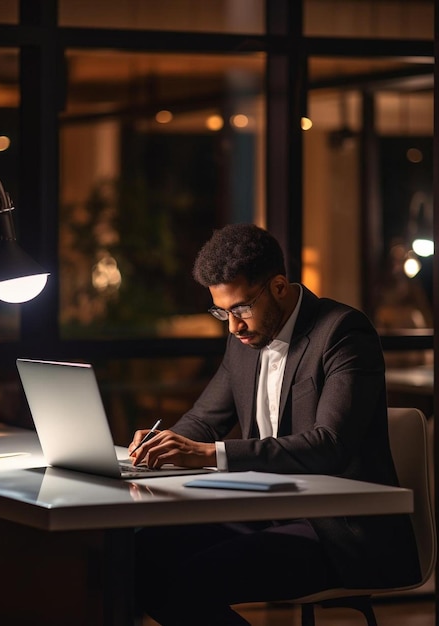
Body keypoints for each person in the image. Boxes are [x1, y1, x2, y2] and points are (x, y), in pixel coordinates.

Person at [128, 223, 421, 626]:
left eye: (241, 308)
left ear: (279, 286)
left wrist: (210, 454)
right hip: (267, 513)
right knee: (136, 558)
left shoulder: (343, 333)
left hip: (339, 532)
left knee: (193, 579)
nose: (233, 326)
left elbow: (328, 444)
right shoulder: (244, 340)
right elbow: (204, 419)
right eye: (221, 312)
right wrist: (162, 443)